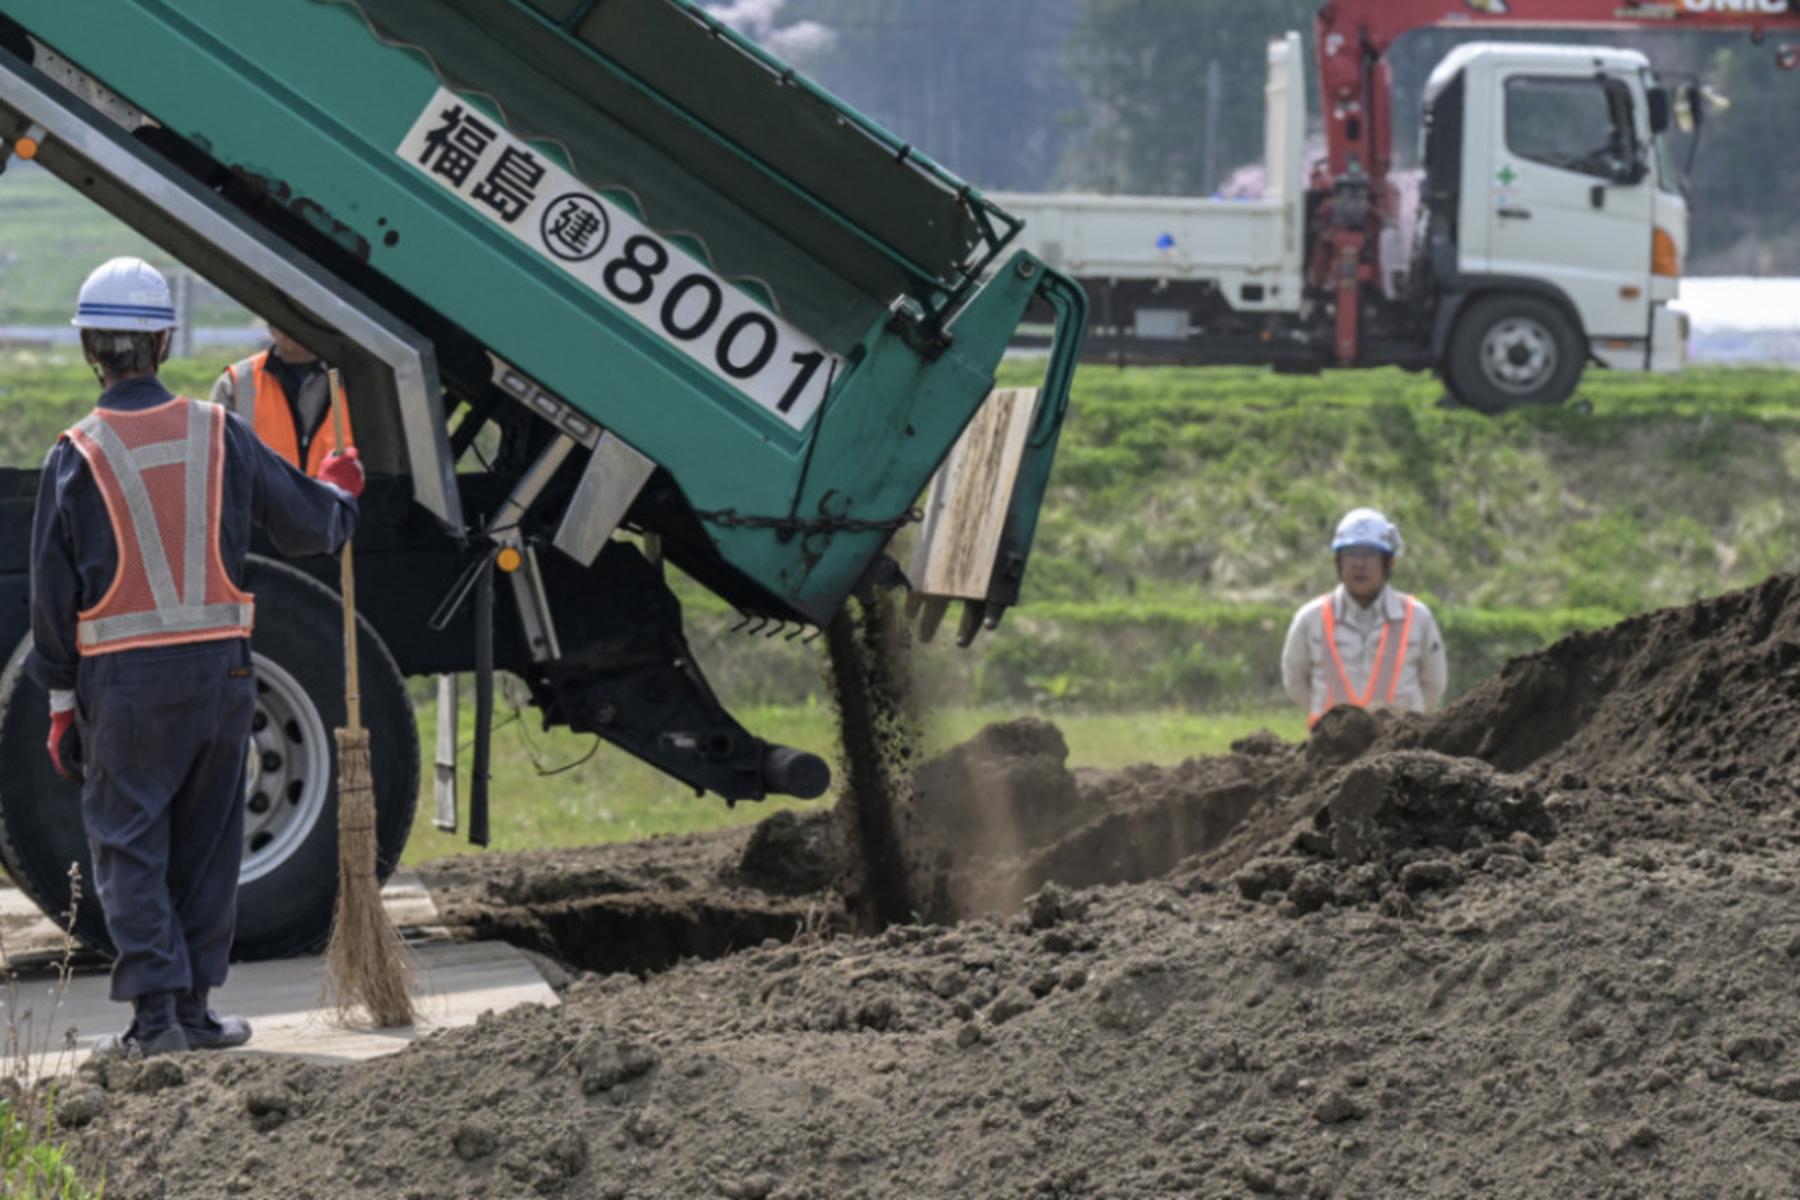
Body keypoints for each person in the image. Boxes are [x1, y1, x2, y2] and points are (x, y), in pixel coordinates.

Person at [26, 257, 367, 1057]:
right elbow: (313, 526)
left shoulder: (77, 454)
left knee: (130, 844)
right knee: (208, 844)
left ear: (89, 350)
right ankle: (199, 1013)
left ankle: (155, 1024)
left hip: (128, 687)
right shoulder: (222, 432)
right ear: (164, 341)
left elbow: (52, 601)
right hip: (224, 676)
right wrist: (342, 492)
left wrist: (60, 703)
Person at [1281, 507, 1448, 728]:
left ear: (1389, 563)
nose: (1359, 564)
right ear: (1337, 562)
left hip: (1400, 751)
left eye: (1369, 553)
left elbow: (1433, 685)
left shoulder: (1418, 617)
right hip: (1331, 751)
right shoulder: (1310, 618)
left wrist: (1405, 726)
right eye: (1350, 553)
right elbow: (1295, 682)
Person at [210, 325, 350, 476]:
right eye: (287, 318)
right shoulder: (235, 383)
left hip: (336, 498)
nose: (295, 326)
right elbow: (214, 462)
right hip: (260, 498)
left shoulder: (355, 379)